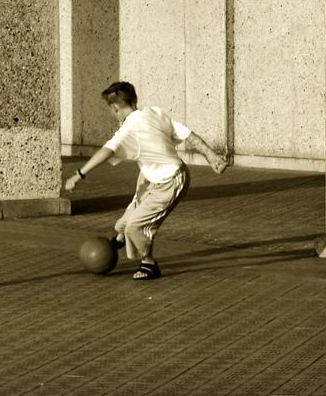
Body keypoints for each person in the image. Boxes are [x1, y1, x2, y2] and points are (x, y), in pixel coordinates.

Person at [64, 81, 228, 280]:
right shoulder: (154, 113)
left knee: (136, 226)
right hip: (150, 178)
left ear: (115, 108)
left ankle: (149, 263)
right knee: (124, 224)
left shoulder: (129, 126)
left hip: (171, 181)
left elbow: (107, 151)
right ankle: (119, 239)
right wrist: (211, 156)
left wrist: (79, 174)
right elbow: (189, 136)